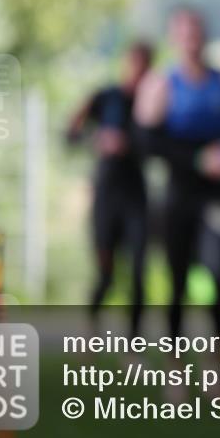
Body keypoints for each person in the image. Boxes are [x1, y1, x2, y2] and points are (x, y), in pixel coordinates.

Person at [134, 6, 220, 342]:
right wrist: (197, 158)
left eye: (196, 33)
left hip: (216, 193)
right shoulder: (161, 84)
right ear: (175, 39)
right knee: (177, 278)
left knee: (218, 273)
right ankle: (175, 363)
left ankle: (215, 362)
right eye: (184, 34)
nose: (192, 41)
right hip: (179, 192)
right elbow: (147, 142)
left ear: (205, 37)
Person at [66, 41, 153, 338]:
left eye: (144, 66)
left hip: (136, 197)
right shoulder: (105, 97)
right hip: (106, 195)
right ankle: (90, 328)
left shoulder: (153, 103)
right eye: (134, 64)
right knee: (106, 274)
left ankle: (133, 345)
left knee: (139, 274)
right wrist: (98, 139)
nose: (138, 73)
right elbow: (70, 133)